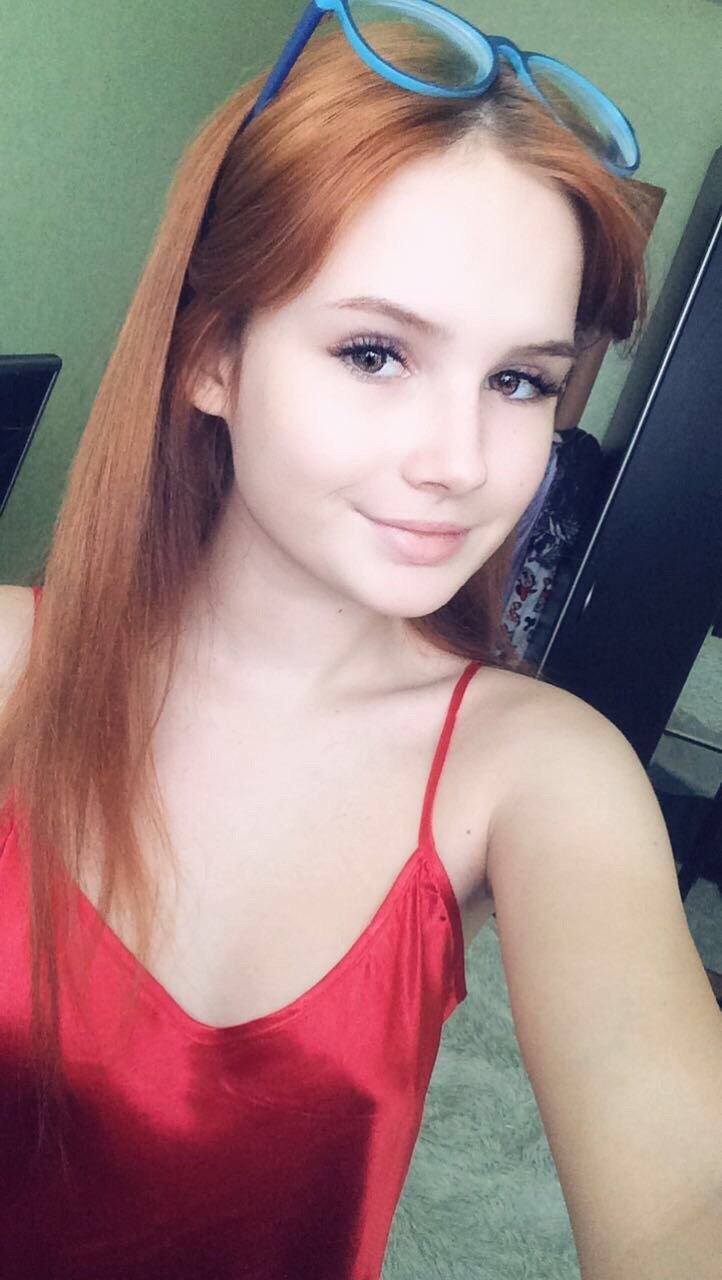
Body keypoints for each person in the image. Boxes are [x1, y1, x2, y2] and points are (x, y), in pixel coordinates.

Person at [1, 4, 721, 1278]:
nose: (459, 462)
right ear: (211, 356)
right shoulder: (13, 663)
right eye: (376, 352)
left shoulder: (536, 772)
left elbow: (682, 1201)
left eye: (518, 380)